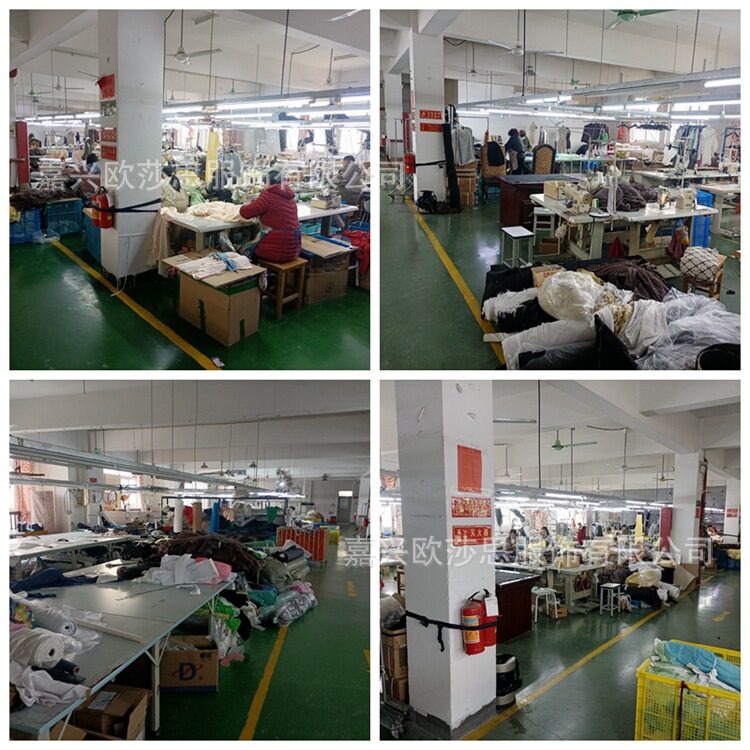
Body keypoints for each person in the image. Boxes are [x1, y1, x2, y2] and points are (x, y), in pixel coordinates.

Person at [238, 169, 301, 263]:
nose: (264, 186)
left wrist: (244, 205)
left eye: (265, 183)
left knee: (244, 250)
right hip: (294, 250)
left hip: (277, 252)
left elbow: (245, 213)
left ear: (268, 182)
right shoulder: (290, 197)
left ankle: (260, 271)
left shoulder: (268, 195)